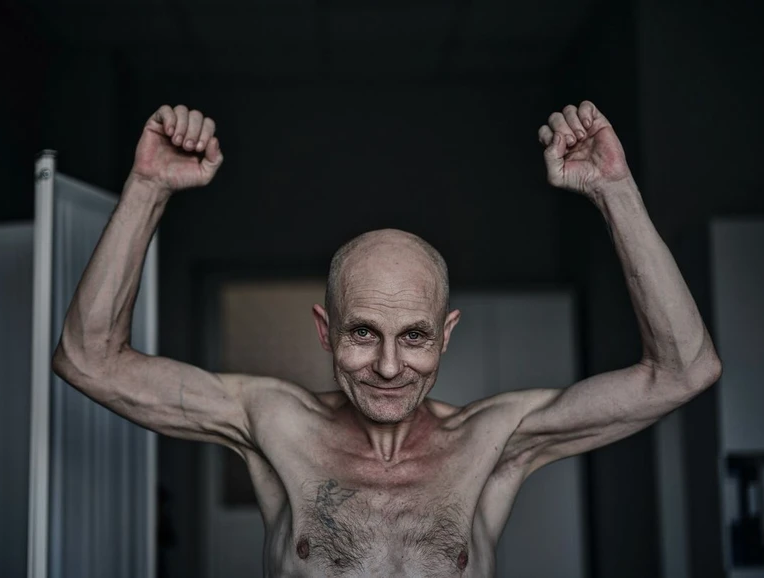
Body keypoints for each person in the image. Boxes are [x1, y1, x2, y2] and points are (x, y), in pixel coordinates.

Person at [53, 101, 722, 577]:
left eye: (415, 337)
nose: (390, 366)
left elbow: (684, 369)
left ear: (446, 334)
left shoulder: (494, 440)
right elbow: (89, 360)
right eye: (364, 334)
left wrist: (614, 190)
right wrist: (146, 190)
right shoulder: (273, 421)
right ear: (326, 331)